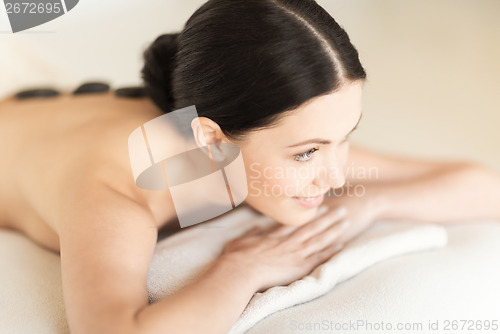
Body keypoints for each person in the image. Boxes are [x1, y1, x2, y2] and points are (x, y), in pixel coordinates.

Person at [0, 0, 499, 333]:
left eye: (344, 139)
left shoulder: (244, 137)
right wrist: (242, 269)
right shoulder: (116, 192)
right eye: (307, 152)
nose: (336, 176)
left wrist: (373, 203)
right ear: (211, 139)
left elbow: (485, 188)